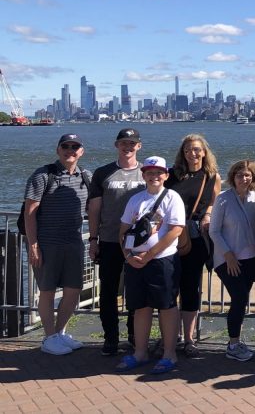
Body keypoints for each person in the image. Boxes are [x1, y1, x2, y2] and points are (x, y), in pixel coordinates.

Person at [115, 156, 186, 375]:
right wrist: (128, 256)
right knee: (140, 307)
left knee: (166, 307)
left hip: (162, 261)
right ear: (144, 175)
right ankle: (140, 352)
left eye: (158, 173)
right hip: (135, 262)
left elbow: (176, 230)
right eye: (149, 173)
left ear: (165, 175)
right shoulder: (135, 199)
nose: (154, 176)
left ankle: (169, 354)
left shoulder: (172, 197)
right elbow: (123, 230)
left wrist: (149, 255)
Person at [24, 134, 92, 355]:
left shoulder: (86, 176)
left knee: (74, 289)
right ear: (58, 149)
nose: (70, 150)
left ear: (81, 151)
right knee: (47, 290)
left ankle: (60, 333)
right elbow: (29, 213)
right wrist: (33, 244)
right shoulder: (43, 175)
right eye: (65, 146)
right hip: (47, 242)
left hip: (73, 241)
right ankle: (48, 337)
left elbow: (96, 207)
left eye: (75, 147)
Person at [87, 128, 146, 356]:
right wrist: (93, 239)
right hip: (110, 240)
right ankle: (111, 337)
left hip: (138, 243)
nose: (128, 147)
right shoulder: (103, 173)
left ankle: (134, 335)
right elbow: (94, 209)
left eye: (132, 143)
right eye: (123, 143)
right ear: (116, 145)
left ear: (139, 146)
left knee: (136, 290)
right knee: (108, 292)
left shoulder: (148, 172)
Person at [166, 134, 221, 358]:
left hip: (195, 236)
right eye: (188, 150)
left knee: (190, 288)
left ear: (204, 152)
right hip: (170, 235)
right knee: (170, 288)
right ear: (183, 153)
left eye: (197, 149)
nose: (193, 153)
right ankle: (171, 336)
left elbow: (213, 202)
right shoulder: (172, 175)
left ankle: (189, 338)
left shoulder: (211, 176)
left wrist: (207, 215)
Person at [209, 160, 255, 362]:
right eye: (240, 174)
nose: (244, 178)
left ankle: (236, 340)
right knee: (239, 298)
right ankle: (232, 344)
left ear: (253, 177)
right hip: (227, 260)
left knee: (241, 301)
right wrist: (228, 255)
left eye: (248, 174)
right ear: (233, 177)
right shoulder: (223, 199)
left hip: (252, 259)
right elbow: (214, 231)